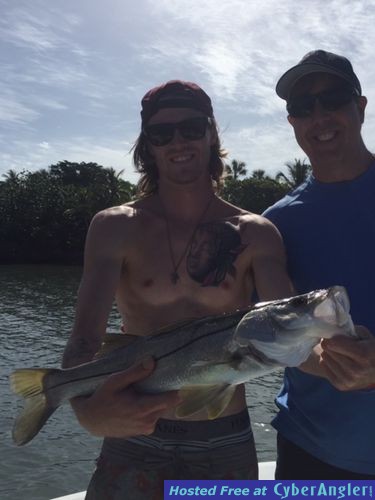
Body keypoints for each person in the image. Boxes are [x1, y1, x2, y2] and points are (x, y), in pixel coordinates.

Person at [62, 80, 293, 498]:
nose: (178, 141)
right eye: (161, 133)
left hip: (223, 438)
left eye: (191, 127)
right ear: (147, 145)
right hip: (134, 432)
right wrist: (87, 412)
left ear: (211, 133)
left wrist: (340, 350)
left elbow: (287, 325)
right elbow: (84, 338)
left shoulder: (257, 233)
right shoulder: (114, 226)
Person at [264, 49, 375, 479]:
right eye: (302, 107)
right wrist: (327, 361)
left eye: (333, 99)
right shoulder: (275, 224)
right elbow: (275, 336)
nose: (319, 116)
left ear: (360, 106)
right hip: (310, 454)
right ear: (292, 122)